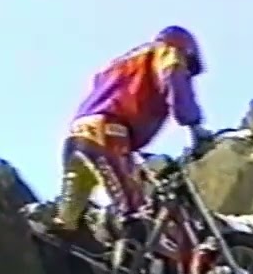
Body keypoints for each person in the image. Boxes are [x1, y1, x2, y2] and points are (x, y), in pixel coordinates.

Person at [47, 26, 213, 251]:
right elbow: (175, 83)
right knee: (134, 212)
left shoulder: (117, 65)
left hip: (79, 133)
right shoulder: (167, 52)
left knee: (68, 219)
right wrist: (193, 124)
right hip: (108, 134)